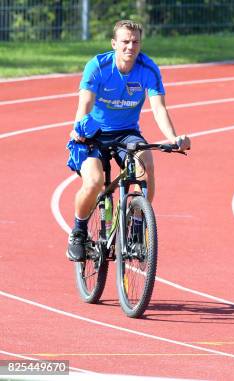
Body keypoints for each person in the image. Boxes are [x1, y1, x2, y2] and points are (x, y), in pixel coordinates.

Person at [66, 20, 191, 262]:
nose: (130, 47)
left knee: (146, 166)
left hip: (127, 133)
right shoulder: (98, 66)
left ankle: (135, 229)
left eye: (135, 42)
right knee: (94, 182)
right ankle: (78, 232)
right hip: (93, 133)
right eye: (125, 41)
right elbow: (86, 103)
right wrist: (80, 130)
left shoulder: (148, 68)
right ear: (114, 44)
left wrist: (173, 138)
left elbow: (158, 108)